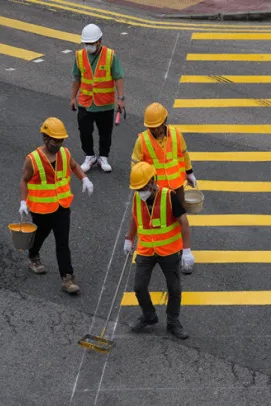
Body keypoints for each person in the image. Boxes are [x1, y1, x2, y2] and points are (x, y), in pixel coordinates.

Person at [19, 117, 94, 294]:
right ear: (45, 139)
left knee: (62, 242)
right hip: (41, 208)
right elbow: (24, 180)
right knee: (40, 235)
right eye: (55, 140)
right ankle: (33, 256)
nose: (58, 144)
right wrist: (23, 202)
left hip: (61, 205)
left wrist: (84, 178)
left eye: (61, 140)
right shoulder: (33, 159)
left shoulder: (65, 154)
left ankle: (67, 278)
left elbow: (74, 166)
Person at [124, 162, 195, 339]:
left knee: (174, 288)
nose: (139, 192)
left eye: (141, 187)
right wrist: (128, 238)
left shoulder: (168, 196)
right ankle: (149, 316)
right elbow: (135, 217)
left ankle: (173, 322)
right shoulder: (137, 198)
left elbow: (184, 222)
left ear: (152, 182)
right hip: (146, 249)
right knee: (139, 287)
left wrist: (186, 250)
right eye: (137, 188)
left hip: (168, 251)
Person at [70, 23, 125, 173]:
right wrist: (73, 97)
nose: (89, 46)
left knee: (105, 133)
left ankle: (103, 156)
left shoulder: (110, 56)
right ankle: (89, 156)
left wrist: (121, 98)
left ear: (99, 41)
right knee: (84, 131)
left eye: (91, 43)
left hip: (105, 104)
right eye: (86, 43)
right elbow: (76, 78)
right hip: (85, 103)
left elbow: (118, 77)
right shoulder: (79, 56)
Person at [131, 102, 197, 197]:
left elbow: (184, 154)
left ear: (164, 122)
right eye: (151, 128)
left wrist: (189, 173)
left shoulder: (176, 134)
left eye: (157, 128)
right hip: (156, 190)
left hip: (177, 186)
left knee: (181, 211)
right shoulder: (141, 141)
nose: (154, 130)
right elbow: (135, 164)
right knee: (160, 211)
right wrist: (142, 186)